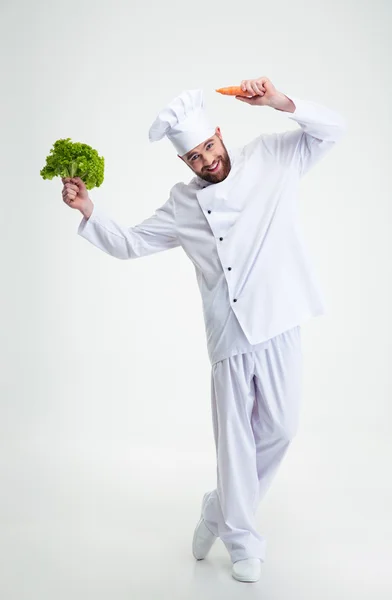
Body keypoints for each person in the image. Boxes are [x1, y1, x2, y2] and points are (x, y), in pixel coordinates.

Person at [61, 76, 346, 583]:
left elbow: (332, 129)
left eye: (209, 147)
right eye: (194, 156)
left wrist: (280, 102)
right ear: (183, 162)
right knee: (235, 443)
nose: (207, 160)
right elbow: (131, 244)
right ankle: (242, 540)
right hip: (228, 336)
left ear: (219, 132)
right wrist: (89, 210)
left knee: (281, 430)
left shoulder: (272, 157)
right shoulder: (183, 204)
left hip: (280, 321)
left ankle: (217, 508)